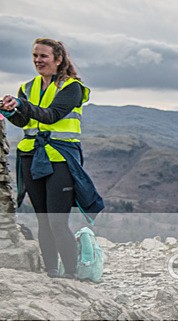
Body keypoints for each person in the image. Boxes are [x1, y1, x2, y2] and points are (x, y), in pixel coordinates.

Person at [1, 38, 103, 279]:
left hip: (59, 158)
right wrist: (11, 112)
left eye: (43, 56)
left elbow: (51, 115)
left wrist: (22, 104)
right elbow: (24, 122)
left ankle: (71, 274)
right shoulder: (27, 87)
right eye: (35, 55)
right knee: (44, 221)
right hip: (30, 156)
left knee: (57, 221)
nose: (38, 60)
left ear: (58, 59)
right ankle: (51, 273)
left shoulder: (71, 87)